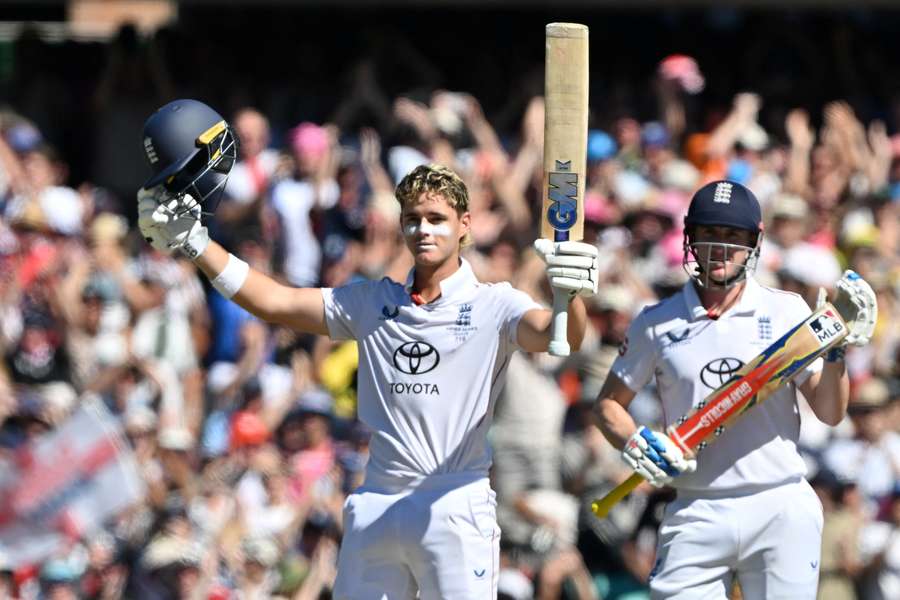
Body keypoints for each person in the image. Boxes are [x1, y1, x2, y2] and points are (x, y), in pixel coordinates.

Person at [135, 98, 600, 598]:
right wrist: (197, 243)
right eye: (414, 218)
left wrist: (569, 296)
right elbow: (274, 301)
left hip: (453, 501)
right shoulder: (372, 301)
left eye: (438, 219)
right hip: (378, 498)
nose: (424, 229)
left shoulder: (495, 305)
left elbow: (561, 337)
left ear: (464, 225)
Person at [592, 179, 877, 599]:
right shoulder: (656, 321)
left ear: (755, 242)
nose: (719, 247)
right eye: (708, 233)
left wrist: (837, 354)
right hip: (696, 506)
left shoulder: (787, 311)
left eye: (732, 236)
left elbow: (831, 412)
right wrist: (633, 439)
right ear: (689, 236)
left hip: (779, 503)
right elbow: (608, 405)